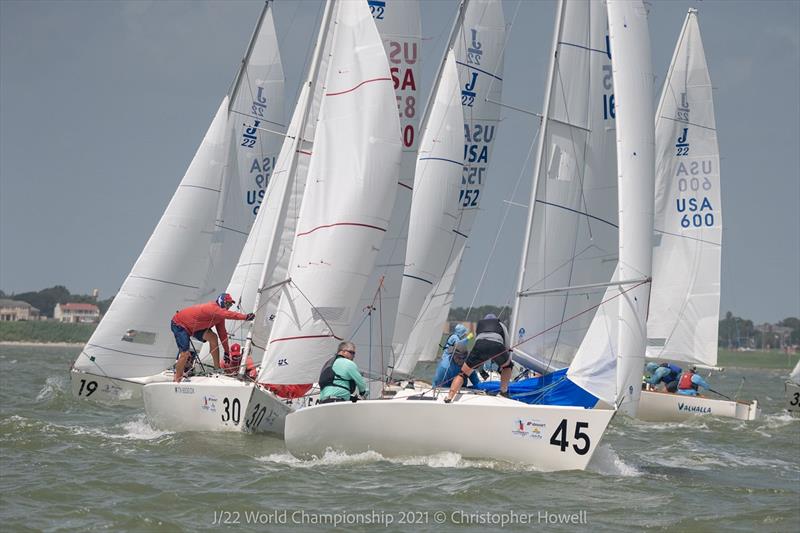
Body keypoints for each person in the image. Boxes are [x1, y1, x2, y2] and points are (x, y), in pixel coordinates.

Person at [171, 293, 254, 382]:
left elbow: (223, 334)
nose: (228, 306)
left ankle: (217, 370)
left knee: (213, 338)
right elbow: (228, 314)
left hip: (194, 328)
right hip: (179, 324)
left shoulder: (220, 317)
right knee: (185, 354)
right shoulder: (213, 308)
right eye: (227, 304)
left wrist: (226, 352)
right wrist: (245, 317)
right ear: (221, 302)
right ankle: (177, 378)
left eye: (230, 305)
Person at [445, 313, 512, 403]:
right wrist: (505, 358)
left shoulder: (480, 325)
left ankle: (449, 396)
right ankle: (503, 392)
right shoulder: (501, 325)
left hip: (479, 345)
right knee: (508, 366)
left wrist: (477, 364)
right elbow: (507, 345)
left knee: (462, 374)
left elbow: (478, 341)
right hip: (496, 346)